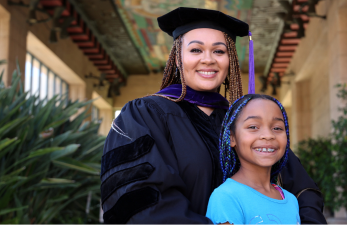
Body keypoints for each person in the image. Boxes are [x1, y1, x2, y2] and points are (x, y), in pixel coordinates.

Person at [100, 7, 326, 224]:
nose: (208, 59)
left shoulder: (244, 122)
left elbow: (302, 188)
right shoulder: (145, 115)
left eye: (219, 51)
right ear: (178, 59)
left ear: (230, 61)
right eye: (196, 50)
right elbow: (137, 199)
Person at [206, 94, 300, 224]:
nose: (268, 135)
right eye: (253, 127)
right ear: (232, 137)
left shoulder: (291, 199)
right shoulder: (226, 197)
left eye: (277, 128)